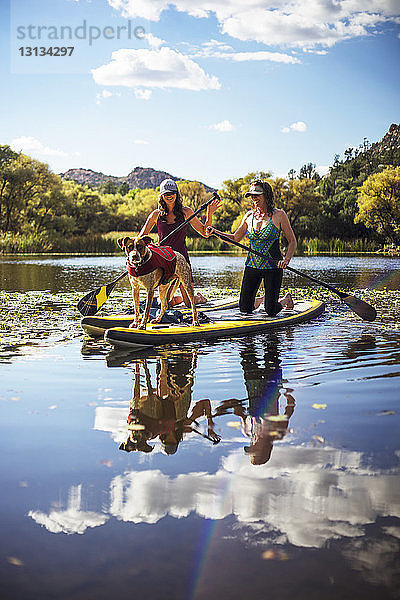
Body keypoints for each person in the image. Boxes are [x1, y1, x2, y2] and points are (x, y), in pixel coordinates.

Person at [209, 180, 296, 315]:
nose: (253, 197)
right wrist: (215, 232)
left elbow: (292, 241)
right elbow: (235, 238)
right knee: (244, 308)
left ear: (266, 195)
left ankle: (285, 300)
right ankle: (262, 299)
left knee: (271, 311)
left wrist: (286, 260)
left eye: (257, 194)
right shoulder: (249, 216)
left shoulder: (279, 215)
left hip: (273, 267)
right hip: (252, 265)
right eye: (251, 195)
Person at [138, 179, 221, 307]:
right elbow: (141, 237)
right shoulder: (156, 215)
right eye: (166, 194)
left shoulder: (186, 212)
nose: (169, 196)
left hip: (181, 259)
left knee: (189, 303)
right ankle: (176, 299)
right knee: (166, 304)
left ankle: (197, 297)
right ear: (161, 196)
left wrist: (209, 214)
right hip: (164, 261)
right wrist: (149, 247)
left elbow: (205, 232)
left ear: (177, 194)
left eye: (172, 193)